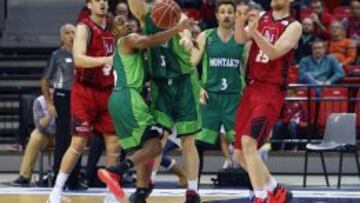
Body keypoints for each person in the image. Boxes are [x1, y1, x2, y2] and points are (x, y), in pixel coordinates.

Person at [96, 15, 194, 203]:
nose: (126, 24)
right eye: (120, 22)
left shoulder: (130, 51)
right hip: (129, 97)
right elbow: (149, 40)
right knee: (155, 145)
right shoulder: (127, 40)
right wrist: (177, 29)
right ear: (114, 32)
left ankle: (140, 192)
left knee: (145, 147)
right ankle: (117, 172)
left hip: (121, 99)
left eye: (127, 21)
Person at [128, 0, 202, 202]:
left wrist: (186, 38)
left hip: (183, 83)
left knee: (188, 141)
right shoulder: (147, 14)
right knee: (157, 138)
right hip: (160, 84)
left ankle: (193, 191)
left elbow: (185, 30)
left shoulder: (177, 14)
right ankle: (147, 184)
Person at [47, 0, 121, 203]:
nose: (103, 4)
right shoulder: (84, 27)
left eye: (105, 0)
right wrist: (106, 60)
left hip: (107, 91)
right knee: (79, 142)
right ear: (89, 5)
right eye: (98, 1)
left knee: (114, 144)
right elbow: (79, 59)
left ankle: (110, 195)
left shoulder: (113, 28)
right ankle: (56, 190)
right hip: (85, 92)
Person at [234, 0, 302, 202]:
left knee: (249, 143)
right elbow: (239, 40)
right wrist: (240, 21)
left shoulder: (293, 25)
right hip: (251, 88)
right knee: (238, 154)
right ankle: (276, 190)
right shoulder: (262, 17)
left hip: (271, 90)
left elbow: (273, 53)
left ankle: (260, 197)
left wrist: (254, 32)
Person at [192, 0, 245, 175]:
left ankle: (256, 188)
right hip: (210, 98)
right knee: (198, 143)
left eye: (230, 12)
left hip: (234, 98)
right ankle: (193, 188)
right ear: (216, 15)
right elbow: (191, 65)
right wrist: (198, 88)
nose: (226, 15)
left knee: (243, 145)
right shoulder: (206, 36)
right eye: (222, 12)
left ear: (235, 15)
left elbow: (247, 70)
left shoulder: (242, 38)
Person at [40, 23, 83, 190]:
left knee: (79, 137)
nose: (71, 35)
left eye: (73, 32)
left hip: (79, 97)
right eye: (67, 32)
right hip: (62, 97)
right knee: (64, 138)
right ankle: (59, 177)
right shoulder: (56, 55)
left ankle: (75, 178)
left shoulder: (82, 54)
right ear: (61, 37)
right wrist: (49, 103)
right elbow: (44, 80)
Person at [6, 94, 56, 187]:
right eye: (49, 94)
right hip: (45, 136)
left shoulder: (65, 100)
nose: (52, 97)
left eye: (54, 94)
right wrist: (50, 114)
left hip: (61, 136)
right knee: (35, 136)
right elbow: (40, 127)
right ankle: (24, 176)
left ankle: (63, 175)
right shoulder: (39, 102)